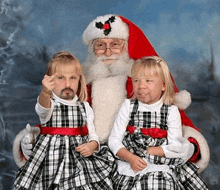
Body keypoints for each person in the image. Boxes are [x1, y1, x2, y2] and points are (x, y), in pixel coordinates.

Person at [13, 14, 209, 173]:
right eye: (100, 45)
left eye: (115, 44)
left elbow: (180, 126)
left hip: (139, 159)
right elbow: (59, 120)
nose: (107, 52)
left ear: (127, 46)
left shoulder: (142, 87)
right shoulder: (82, 87)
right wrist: (31, 140)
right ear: (92, 50)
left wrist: (190, 147)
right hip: (92, 157)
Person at [13, 52, 116, 190]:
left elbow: (92, 133)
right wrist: (44, 92)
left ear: (79, 80)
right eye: (61, 78)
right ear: (50, 81)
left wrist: (92, 145)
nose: (67, 84)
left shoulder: (84, 106)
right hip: (52, 161)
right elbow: (42, 107)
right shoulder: (50, 104)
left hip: (78, 160)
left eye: (72, 78)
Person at [108, 56, 209, 190]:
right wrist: (130, 158)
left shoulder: (171, 111)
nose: (141, 86)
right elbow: (114, 139)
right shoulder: (128, 106)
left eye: (148, 81)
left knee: (159, 184)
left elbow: (175, 145)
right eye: (136, 81)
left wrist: (155, 150)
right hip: (130, 162)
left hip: (160, 163)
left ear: (163, 85)